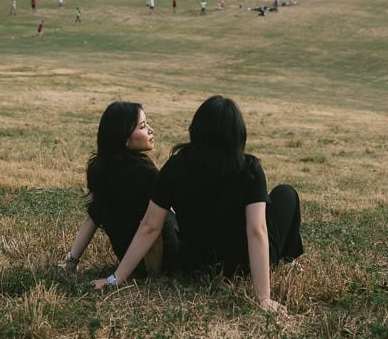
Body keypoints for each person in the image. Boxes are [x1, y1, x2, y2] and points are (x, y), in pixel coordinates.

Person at [94, 96, 302, 313]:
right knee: (286, 193)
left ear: (196, 129)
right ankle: (287, 260)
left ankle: (287, 262)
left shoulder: (175, 166)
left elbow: (149, 226)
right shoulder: (250, 169)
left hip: (194, 264)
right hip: (243, 265)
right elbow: (256, 230)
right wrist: (263, 299)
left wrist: (116, 278)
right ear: (239, 134)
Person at [64, 102, 178, 276]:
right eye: (142, 126)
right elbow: (151, 230)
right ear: (125, 138)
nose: (150, 129)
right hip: (163, 262)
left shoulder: (99, 169)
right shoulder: (147, 174)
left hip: (127, 262)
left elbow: (92, 218)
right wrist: (153, 278)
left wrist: (71, 262)